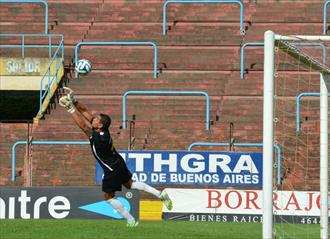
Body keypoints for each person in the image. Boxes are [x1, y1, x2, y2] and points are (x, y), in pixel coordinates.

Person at [59, 87, 172, 227]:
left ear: (99, 125)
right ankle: (160, 195)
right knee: (130, 184)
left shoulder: (99, 138)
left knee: (108, 196)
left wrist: (70, 109)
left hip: (112, 169)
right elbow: (86, 113)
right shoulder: (102, 129)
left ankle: (131, 220)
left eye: (96, 120)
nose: (93, 119)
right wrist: (74, 100)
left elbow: (83, 126)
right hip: (118, 162)